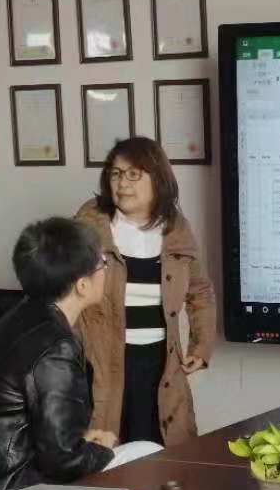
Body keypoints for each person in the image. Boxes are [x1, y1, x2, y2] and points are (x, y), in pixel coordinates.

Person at [0, 218, 114, 490]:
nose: (105, 270)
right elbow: (63, 461)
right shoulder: (55, 346)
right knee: (147, 453)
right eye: (102, 263)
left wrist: (81, 443)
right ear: (82, 285)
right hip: (12, 489)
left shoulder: (16, 318)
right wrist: (103, 449)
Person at [73, 137, 215, 448]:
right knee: (107, 452)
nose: (122, 183)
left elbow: (200, 291)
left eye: (133, 174)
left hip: (159, 364)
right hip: (103, 363)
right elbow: (63, 294)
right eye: (115, 174)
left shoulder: (176, 228)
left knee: (163, 453)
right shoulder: (88, 226)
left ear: (158, 178)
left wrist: (201, 346)